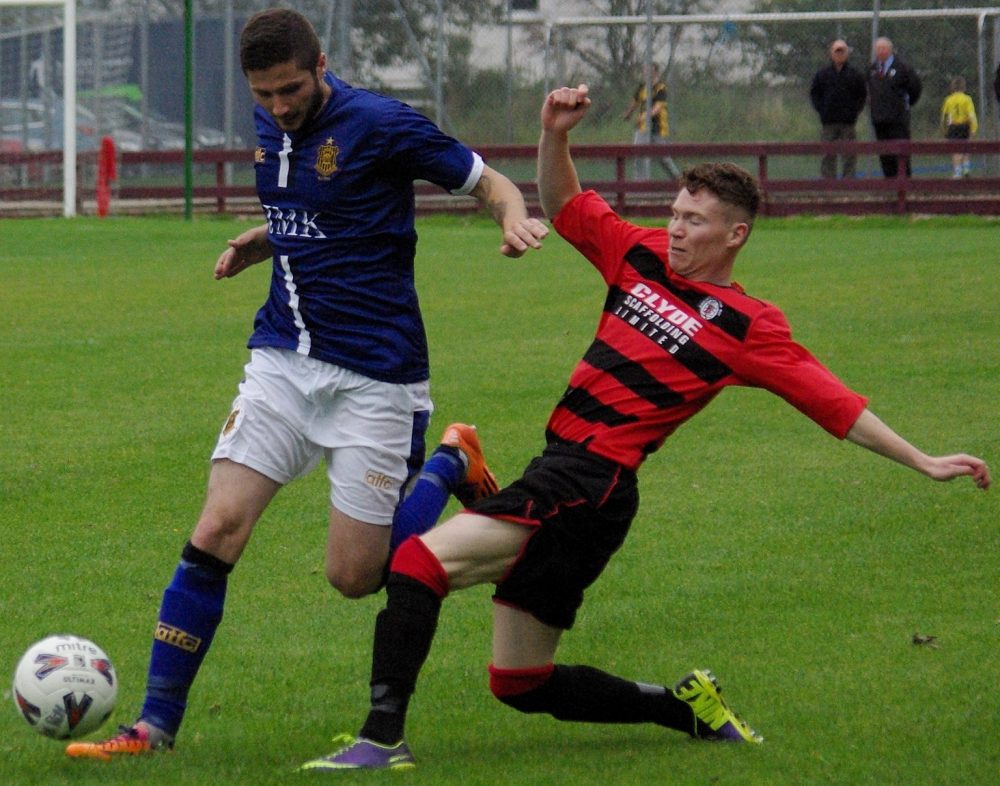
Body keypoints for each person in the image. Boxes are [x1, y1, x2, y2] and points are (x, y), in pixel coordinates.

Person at [300, 83, 991, 771]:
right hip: (566, 476)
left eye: (695, 219)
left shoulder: (749, 326)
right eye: (677, 212)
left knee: (418, 562)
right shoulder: (642, 254)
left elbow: (835, 405)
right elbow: (567, 205)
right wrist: (555, 136)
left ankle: (382, 738)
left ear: (736, 234)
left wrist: (923, 459)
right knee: (520, 684)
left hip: (592, 482)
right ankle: (685, 707)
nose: (678, 227)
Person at [64, 7, 547, 760]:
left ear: (320, 65)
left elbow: (491, 184)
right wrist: (265, 239)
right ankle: (154, 726)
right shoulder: (269, 124)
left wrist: (515, 220)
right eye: (265, 96)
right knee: (218, 526)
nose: (280, 108)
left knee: (357, 577)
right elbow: (308, 207)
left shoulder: (384, 123)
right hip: (282, 359)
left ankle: (451, 458)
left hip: (376, 376)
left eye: (291, 90)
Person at [809, 38, 867, 179]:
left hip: (848, 122)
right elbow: (814, 93)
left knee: (849, 154)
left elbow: (862, 95)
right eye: (837, 51)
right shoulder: (822, 74)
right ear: (831, 53)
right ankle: (829, 182)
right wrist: (822, 110)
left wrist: (854, 112)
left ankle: (848, 181)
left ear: (847, 54)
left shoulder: (855, 74)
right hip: (828, 122)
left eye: (842, 52)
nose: (839, 55)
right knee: (828, 154)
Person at [867, 37, 922, 178]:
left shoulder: (903, 68)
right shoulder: (872, 69)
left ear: (890, 50)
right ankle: (889, 187)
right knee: (885, 155)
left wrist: (904, 106)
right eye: (878, 49)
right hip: (879, 120)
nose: (881, 51)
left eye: (883, 48)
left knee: (901, 154)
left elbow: (915, 88)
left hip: (898, 120)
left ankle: (904, 187)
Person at [622, 64, 682, 181]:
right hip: (642, 128)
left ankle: (678, 180)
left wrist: (645, 116)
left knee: (664, 158)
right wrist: (628, 113)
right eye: (645, 72)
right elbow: (635, 102)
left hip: (657, 128)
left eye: (650, 72)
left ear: (656, 73)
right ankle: (640, 184)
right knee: (638, 154)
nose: (647, 74)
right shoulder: (642, 87)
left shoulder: (660, 88)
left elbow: (657, 108)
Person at [940, 76, 978, 178]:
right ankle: (966, 169)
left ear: (952, 88)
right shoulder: (967, 99)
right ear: (964, 87)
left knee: (955, 150)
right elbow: (971, 115)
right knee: (966, 147)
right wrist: (974, 128)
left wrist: (944, 129)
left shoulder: (948, 100)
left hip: (953, 127)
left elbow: (944, 117)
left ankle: (957, 172)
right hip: (965, 126)